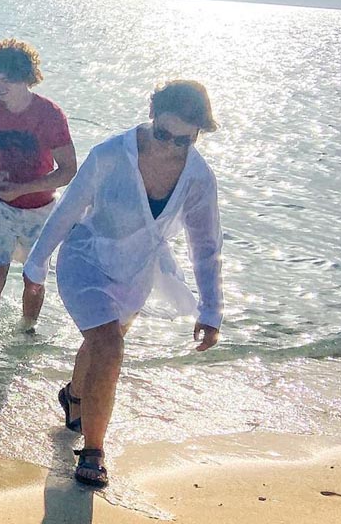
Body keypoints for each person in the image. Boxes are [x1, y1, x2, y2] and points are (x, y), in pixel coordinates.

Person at [22, 81, 224, 488]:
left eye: (183, 139)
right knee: (110, 345)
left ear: (199, 132)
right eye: (164, 134)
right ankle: (94, 451)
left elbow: (205, 244)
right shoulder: (112, 154)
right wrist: (36, 263)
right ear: (152, 117)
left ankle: (73, 396)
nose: (170, 146)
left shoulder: (199, 177)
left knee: (101, 344)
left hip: (137, 272)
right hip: (86, 259)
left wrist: (211, 309)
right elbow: (69, 207)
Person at [0, 39, 77, 353]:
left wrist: (24, 188)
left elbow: (69, 170)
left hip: (41, 209)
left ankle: (26, 333)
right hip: (0, 206)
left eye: (7, 79)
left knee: (33, 279)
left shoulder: (49, 114)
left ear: (26, 78)